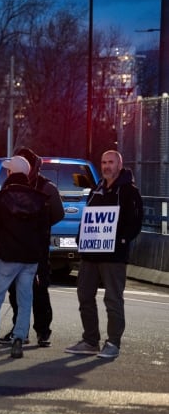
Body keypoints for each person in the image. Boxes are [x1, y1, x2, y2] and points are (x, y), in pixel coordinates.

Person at [0, 156, 49, 359]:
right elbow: (43, 233)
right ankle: (18, 342)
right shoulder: (39, 199)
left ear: (11, 173)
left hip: (7, 256)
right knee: (24, 300)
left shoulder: (0, 198)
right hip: (30, 259)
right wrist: (38, 257)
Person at [65, 150, 143, 359]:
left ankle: (113, 343)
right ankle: (90, 341)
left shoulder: (129, 192)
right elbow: (88, 218)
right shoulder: (96, 190)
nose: (106, 166)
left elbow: (135, 223)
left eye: (111, 162)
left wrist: (121, 241)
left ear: (119, 164)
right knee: (84, 296)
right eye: (103, 162)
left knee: (113, 300)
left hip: (114, 256)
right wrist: (81, 238)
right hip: (91, 254)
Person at [0, 147, 65, 347]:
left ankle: (43, 331)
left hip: (37, 249)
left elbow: (58, 214)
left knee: (39, 290)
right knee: (15, 291)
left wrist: (39, 228)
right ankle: (20, 330)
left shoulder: (46, 188)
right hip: (14, 248)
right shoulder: (9, 186)